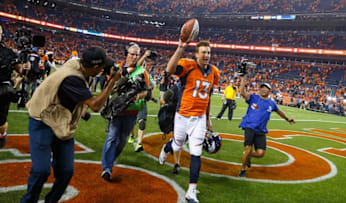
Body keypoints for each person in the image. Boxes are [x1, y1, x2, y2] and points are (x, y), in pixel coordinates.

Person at [20, 47, 122, 203]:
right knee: (41, 170)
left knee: (66, 171)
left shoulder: (78, 65)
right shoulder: (72, 78)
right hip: (43, 119)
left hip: (61, 120)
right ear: (94, 67)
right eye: (101, 67)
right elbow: (95, 105)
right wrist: (112, 83)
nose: (104, 70)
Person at [158, 40, 220, 203]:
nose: (206, 55)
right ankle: (166, 148)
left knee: (196, 153)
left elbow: (208, 97)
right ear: (196, 54)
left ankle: (191, 191)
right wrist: (180, 48)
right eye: (203, 52)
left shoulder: (214, 72)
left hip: (198, 119)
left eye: (208, 52)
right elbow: (169, 70)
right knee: (177, 144)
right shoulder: (188, 66)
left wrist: (208, 119)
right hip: (182, 116)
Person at [101, 43, 151, 181]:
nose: (134, 57)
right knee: (112, 137)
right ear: (126, 54)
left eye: (137, 55)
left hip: (131, 111)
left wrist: (136, 97)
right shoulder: (116, 69)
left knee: (122, 141)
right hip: (116, 110)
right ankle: (107, 168)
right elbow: (107, 87)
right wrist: (116, 88)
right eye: (132, 54)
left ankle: (112, 159)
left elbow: (147, 91)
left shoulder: (142, 72)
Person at [238, 75, 295, 178]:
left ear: (269, 91)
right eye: (262, 87)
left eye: (266, 88)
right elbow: (242, 92)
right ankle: (243, 169)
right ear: (259, 89)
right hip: (249, 127)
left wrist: (287, 119)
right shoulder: (253, 97)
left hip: (261, 130)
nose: (263, 89)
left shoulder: (271, 103)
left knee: (261, 153)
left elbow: (279, 112)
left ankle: (248, 157)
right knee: (248, 149)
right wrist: (243, 78)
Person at [0, 25, 26, 148]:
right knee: (1, 122)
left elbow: (20, 69)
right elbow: (20, 69)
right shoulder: (8, 53)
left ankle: (2, 135)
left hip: (3, 89)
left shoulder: (8, 53)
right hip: (4, 89)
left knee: (1, 122)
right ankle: (2, 136)